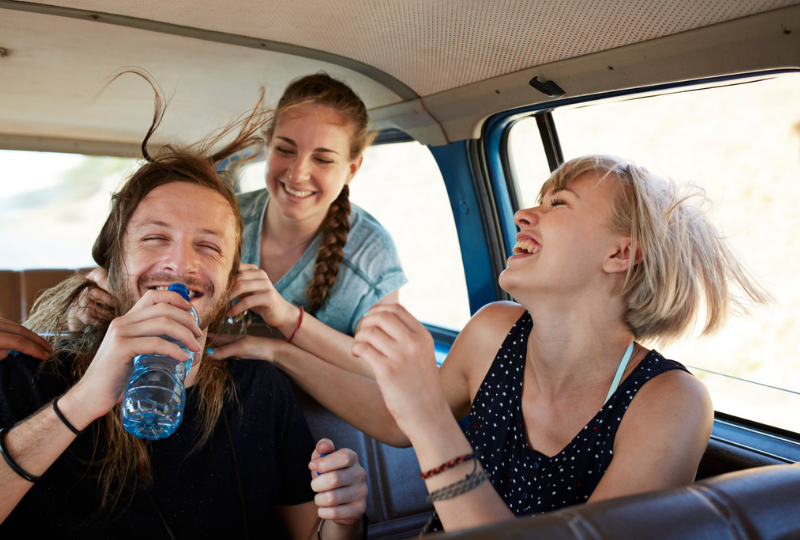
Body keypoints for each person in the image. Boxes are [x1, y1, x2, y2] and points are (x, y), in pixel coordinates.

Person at [211, 155, 769, 533]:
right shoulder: (495, 330)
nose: (525, 213)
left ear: (621, 254)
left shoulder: (670, 403)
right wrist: (277, 348)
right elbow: (393, 418)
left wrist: (431, 420)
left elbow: (418, 422)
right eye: (537, 199)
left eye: (559, 204)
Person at [0, 74, 367, 539]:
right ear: (112, 266)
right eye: (155, 238)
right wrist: (82, 403)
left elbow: (315, 534)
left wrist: (343, 519)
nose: (180, 264)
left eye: (209, 248)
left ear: (231, 282)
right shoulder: (28, 379)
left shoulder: (259, 391)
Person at [74, 73, 406, 380]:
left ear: (352, 169)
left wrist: (282, 326)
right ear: (267, 146)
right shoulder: (222, 220)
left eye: (323, 159)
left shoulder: (371, 254)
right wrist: (104, 291)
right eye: (285, 149)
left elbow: (387, 367)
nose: (297, 173)